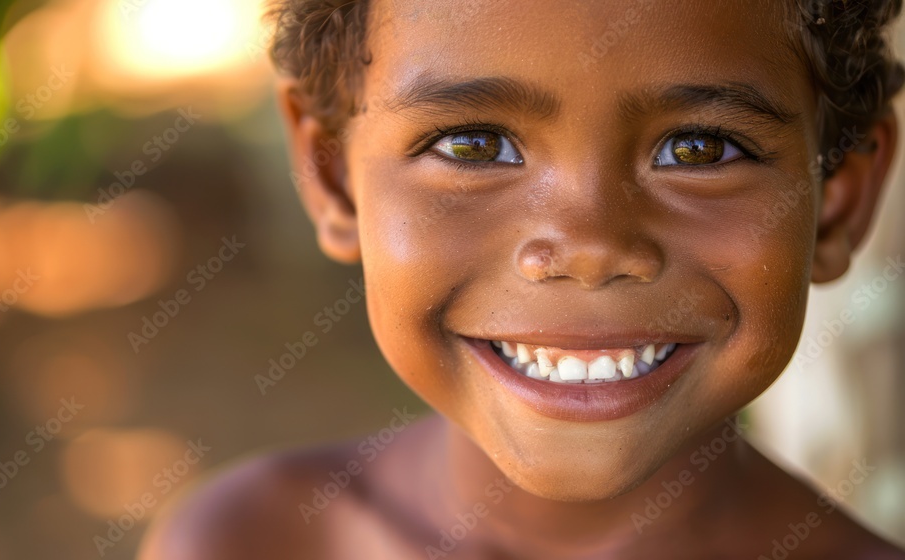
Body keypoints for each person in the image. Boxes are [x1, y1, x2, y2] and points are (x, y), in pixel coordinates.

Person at [139, 0, 905, 557]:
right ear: (334, 176)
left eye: (700, 149)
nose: (589, 245)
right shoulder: (242, 541)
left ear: (837, 199)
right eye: (474, 145)